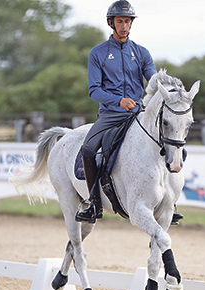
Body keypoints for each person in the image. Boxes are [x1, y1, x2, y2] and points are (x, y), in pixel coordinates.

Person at [76, 0, 183, 226]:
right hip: (110, 114)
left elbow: (153, 82)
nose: (124, 25)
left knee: (173, 144)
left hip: (139, 114)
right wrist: (118, 101)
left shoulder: (142, 53)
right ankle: (94, 202)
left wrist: (168, 88)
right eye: (120, 21)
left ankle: (170, 203)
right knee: (87, 150)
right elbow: (94, 90)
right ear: (111, 23)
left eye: (127, 21)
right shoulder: (97, 54)